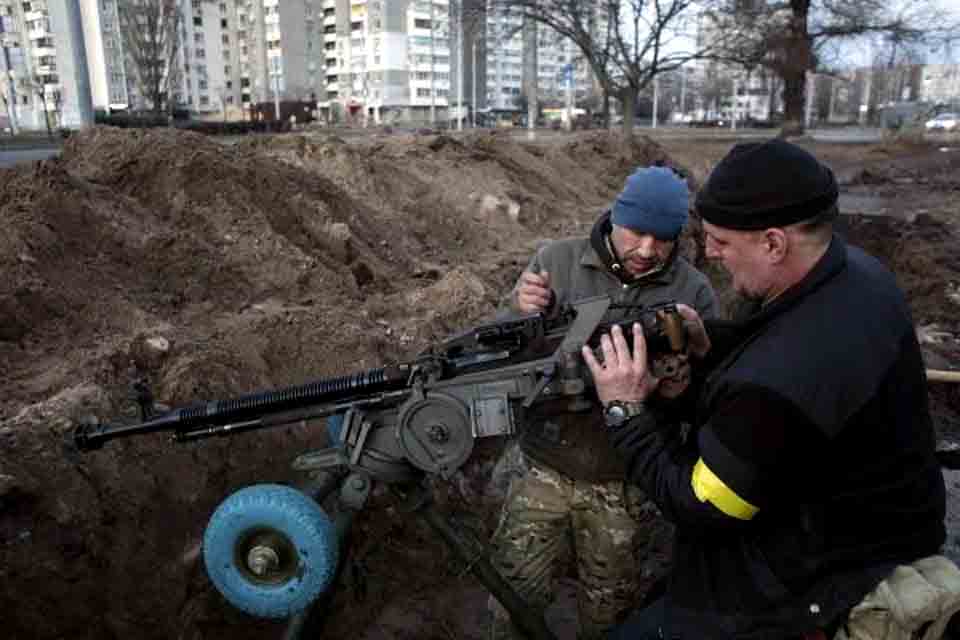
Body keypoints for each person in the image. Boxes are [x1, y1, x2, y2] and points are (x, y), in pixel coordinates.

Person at [581, 139, 947, 639]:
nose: (709, 253)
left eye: (721, 242)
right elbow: (777, 354)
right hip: (868, 526)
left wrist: (625, 409)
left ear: (774, 243)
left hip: (812, 581)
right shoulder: (858, 275)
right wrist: (712, 349)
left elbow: (704, 504)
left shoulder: (787, 376)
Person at [488, 166, 719, 639]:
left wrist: (682, 374)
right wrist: (518, 311)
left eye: (664, 238)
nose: (648, 250)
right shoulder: (558, 261)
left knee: (611, 615)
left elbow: (711, 395)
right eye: (637, 233)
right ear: (615, 216)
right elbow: (497, 354)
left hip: (627, 487)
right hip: (543, 470)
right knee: (512, 602)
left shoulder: (693, 291)